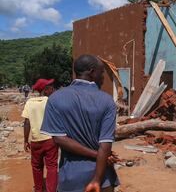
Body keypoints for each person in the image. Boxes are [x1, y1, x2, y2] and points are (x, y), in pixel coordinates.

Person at [41, 54, 119, 192]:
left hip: (70, 178)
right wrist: (97, 178)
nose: (103, 78)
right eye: (102, 73)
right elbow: (105, 145)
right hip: (102, 178)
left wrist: (99, 154)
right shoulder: (107, 101)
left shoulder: (55, 99)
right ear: (92, 72)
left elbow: (59, 139)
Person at [22, 78, 58, 192]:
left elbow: (26, 123)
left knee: (36, 167)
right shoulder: (50, 101)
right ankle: (51, 189)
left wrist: (25, 140)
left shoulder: (29, 103)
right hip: (50, 140)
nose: (53, 89)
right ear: (45, 90)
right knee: (52, 166)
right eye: (50, 87)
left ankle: (38, 189)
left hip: (35, 140)